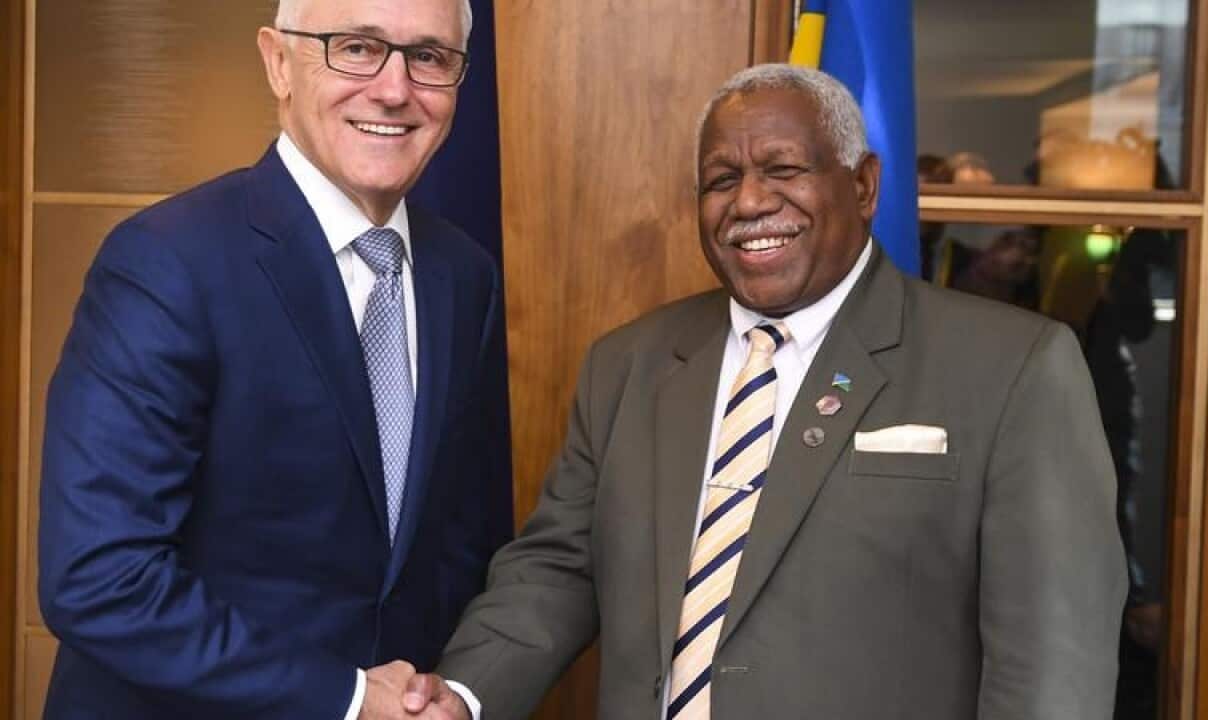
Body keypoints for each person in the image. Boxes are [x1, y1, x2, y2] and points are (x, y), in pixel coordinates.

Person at [414, 64, 1128, 719]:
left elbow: (1053, 666)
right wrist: (459, 698)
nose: (750, 200)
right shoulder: (629, 365)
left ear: (864, 185)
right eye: (721, 180)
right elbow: (558, 569)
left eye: (784, 169)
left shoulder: (1015, 367)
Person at [37, 0, 506, 718]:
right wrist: (348, 698)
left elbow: (454, 548)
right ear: (278, 62)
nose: (393, 88)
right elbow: (101, 577)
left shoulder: (464, 276)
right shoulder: (166, 262)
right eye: (356, 47)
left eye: (429, 58)